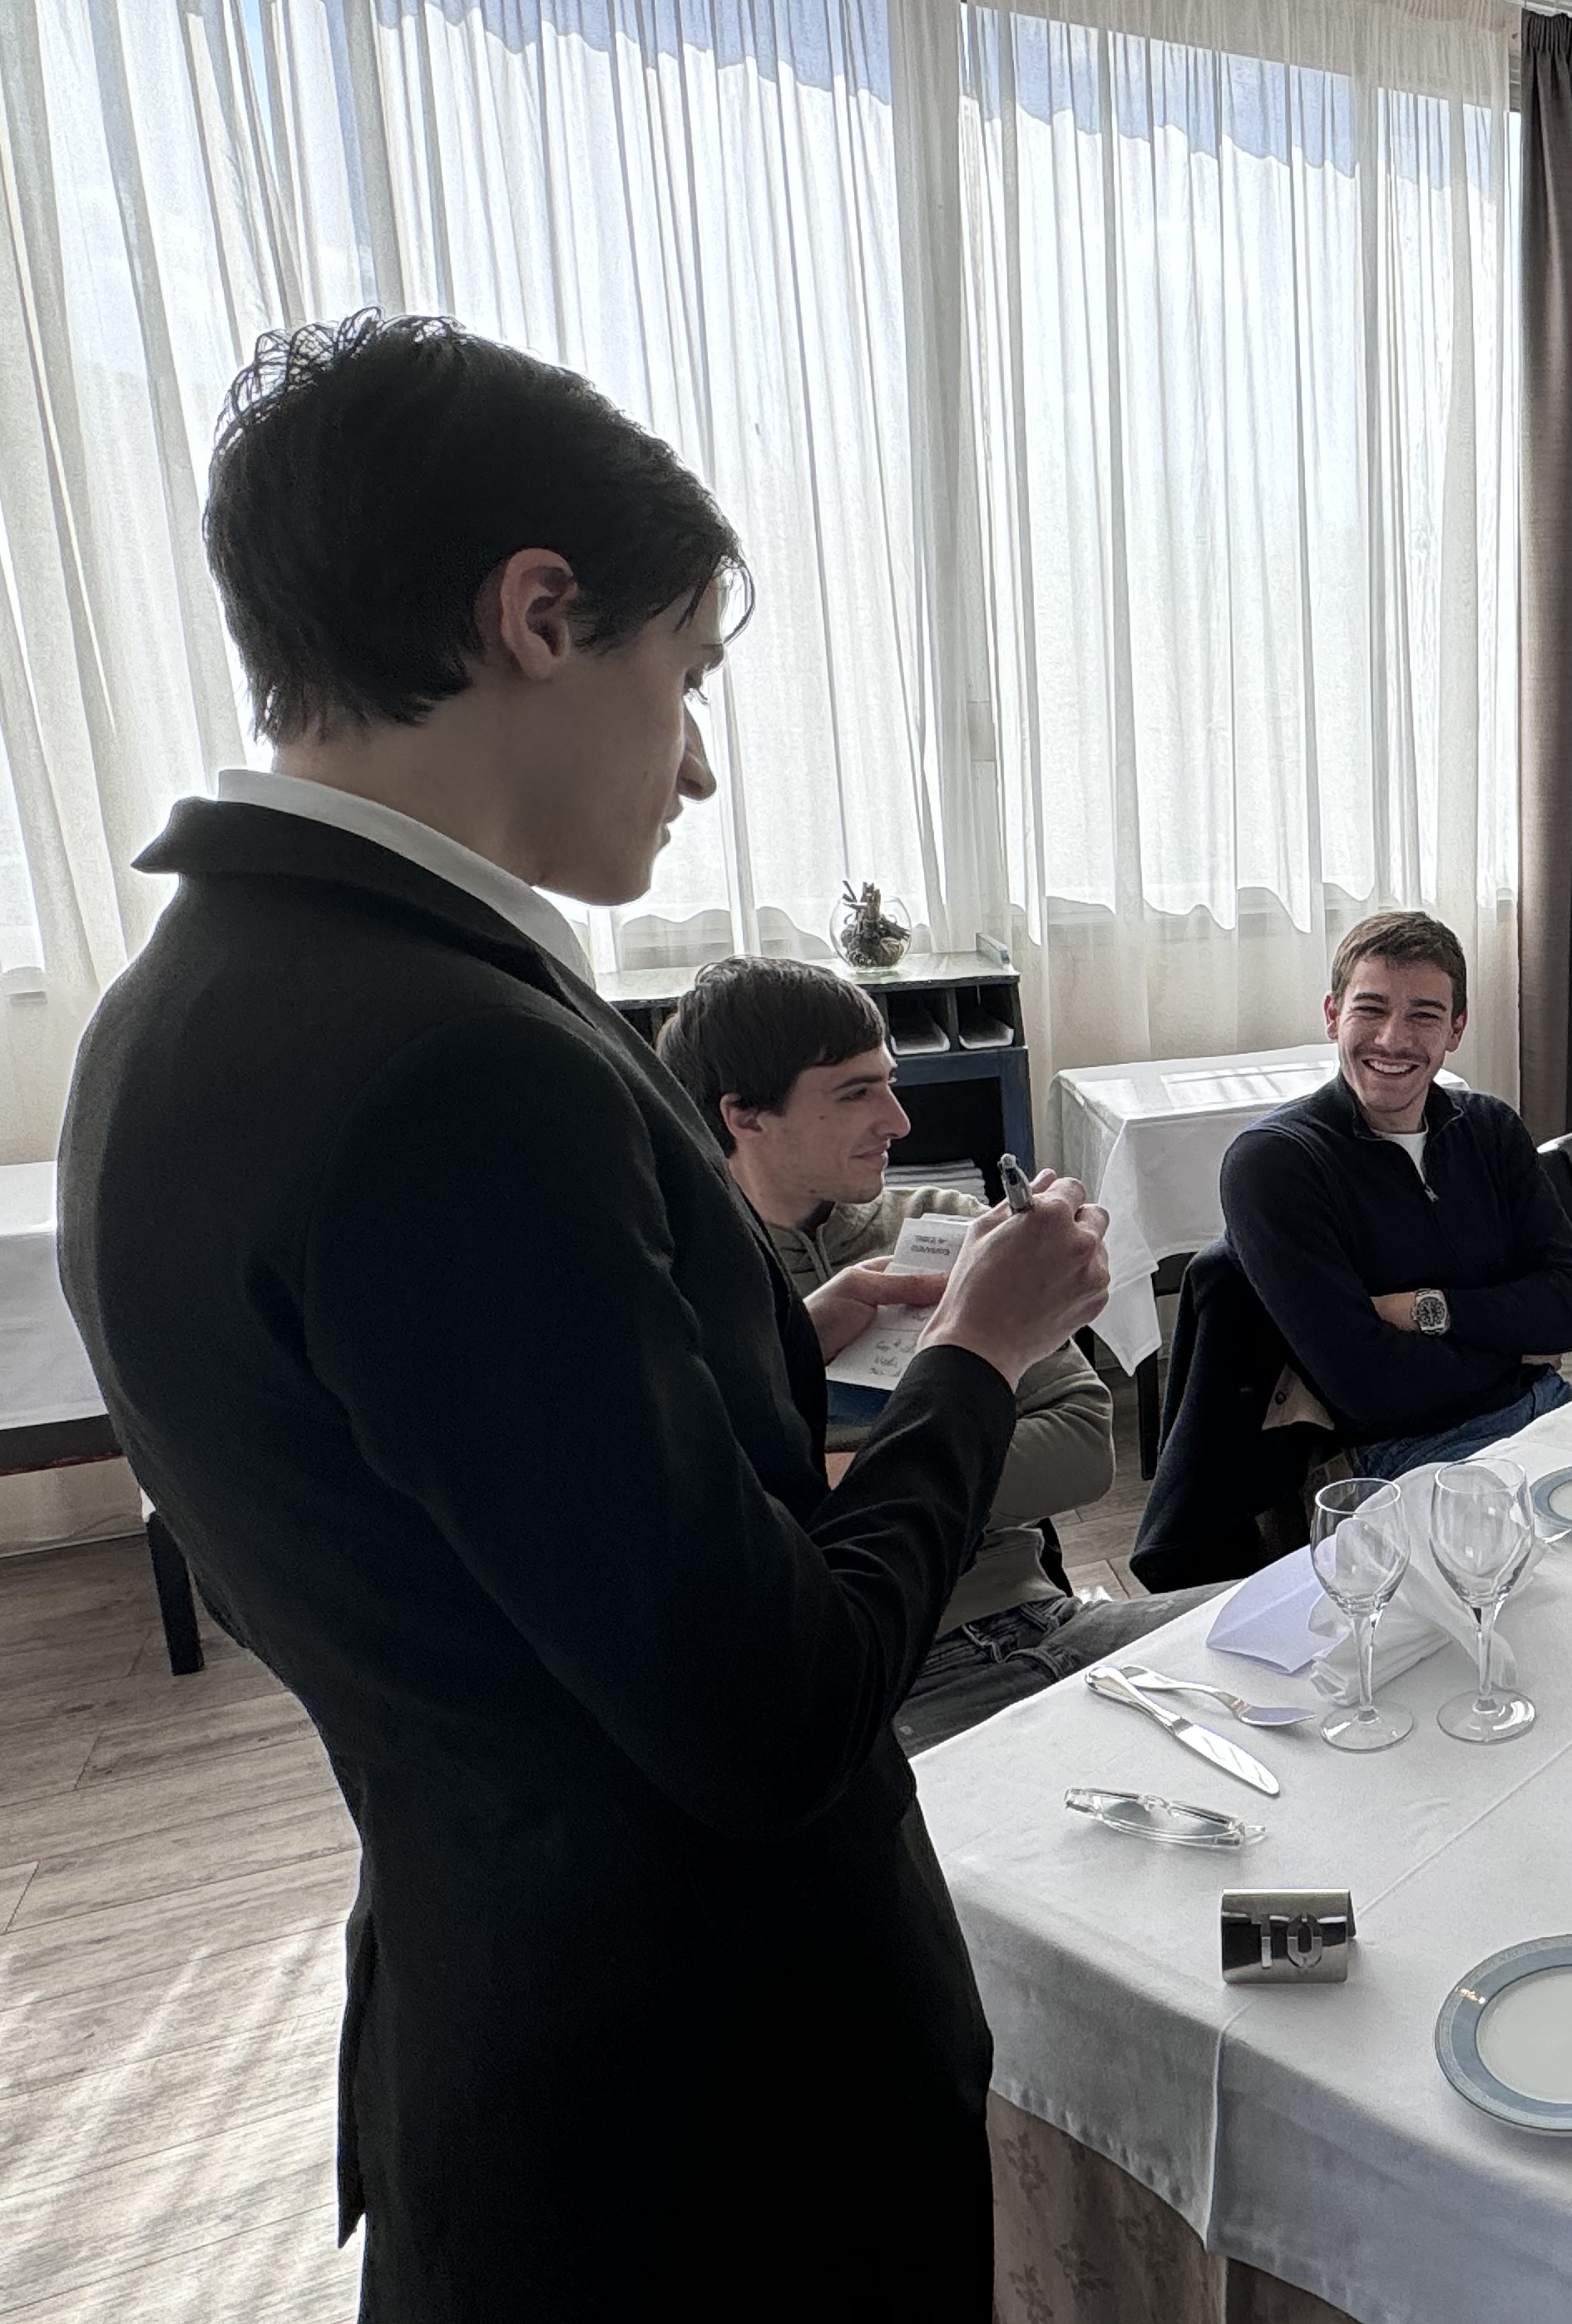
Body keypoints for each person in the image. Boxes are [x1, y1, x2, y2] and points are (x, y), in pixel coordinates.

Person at [57, 315, 1111, 2321]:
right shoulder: (456, 1064)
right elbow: (771, 1706)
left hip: (503, 2004)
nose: (699, 758)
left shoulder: (180, 1010)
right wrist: (974, 1360)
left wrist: (782, 1328)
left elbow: (480, 1491)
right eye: (687, 676)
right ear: (542, 614)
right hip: (714, 2124)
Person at [657, 955, 1212, 1751]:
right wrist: (962, 1425)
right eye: (856, 1092)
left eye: (889, 1079)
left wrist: (829, 1475)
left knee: (1323, 1633)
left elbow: (1085, 1450)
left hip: (1052, 1625)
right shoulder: (680, 1286)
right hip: (883, 1683)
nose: (899, 1119)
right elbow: (712, 1526)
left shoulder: (949, 1223)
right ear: (744, 1115)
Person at [1219, 910, 1572, 1474]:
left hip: (1550, 1409)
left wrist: (1426, 1310)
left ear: (1456, 1030)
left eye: (1424, 1015)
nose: (1393, 1039)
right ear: (1333, 1016)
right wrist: (1516, 1344)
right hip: (1409, 1453)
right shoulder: (1275, 1163)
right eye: (1370, 1009)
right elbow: (1367, 1387)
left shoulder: (1490, 1128)